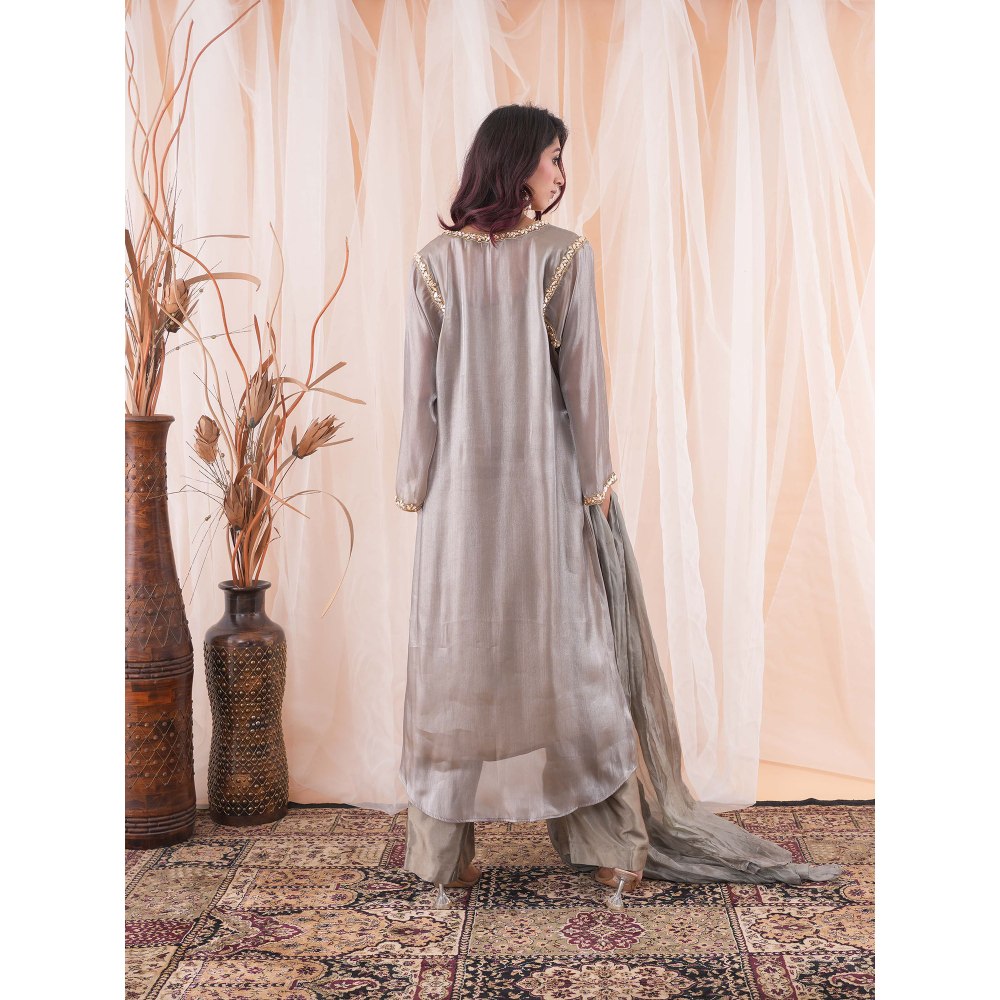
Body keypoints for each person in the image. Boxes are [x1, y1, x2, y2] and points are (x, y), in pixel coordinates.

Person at [394, 103, 843, 909]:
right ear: (517, 163)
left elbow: (418, 399)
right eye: (554, 158)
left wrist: (415, 484)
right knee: (573, 665)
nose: (562, 176)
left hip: (459, 516)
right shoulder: (562, 256)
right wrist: (597, 481)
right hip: (547, 498)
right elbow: (585, 384)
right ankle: (612, 847)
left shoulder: (434, 265)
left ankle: (443, 857)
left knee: (458, 667)